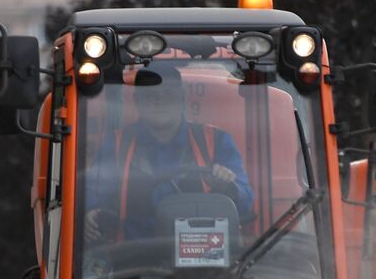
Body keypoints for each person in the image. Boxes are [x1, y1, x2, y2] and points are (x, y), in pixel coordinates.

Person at [84, 65, 253, 243]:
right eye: (151, 96)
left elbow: (244, 200)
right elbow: (94, 193)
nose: (160, 101)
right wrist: (91, 212)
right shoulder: (115, 144)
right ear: (137, 100)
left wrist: (227, 187)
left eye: (168, 94)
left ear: (182, 98)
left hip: (204, 253)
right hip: (131, 259)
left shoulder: (216, 140)